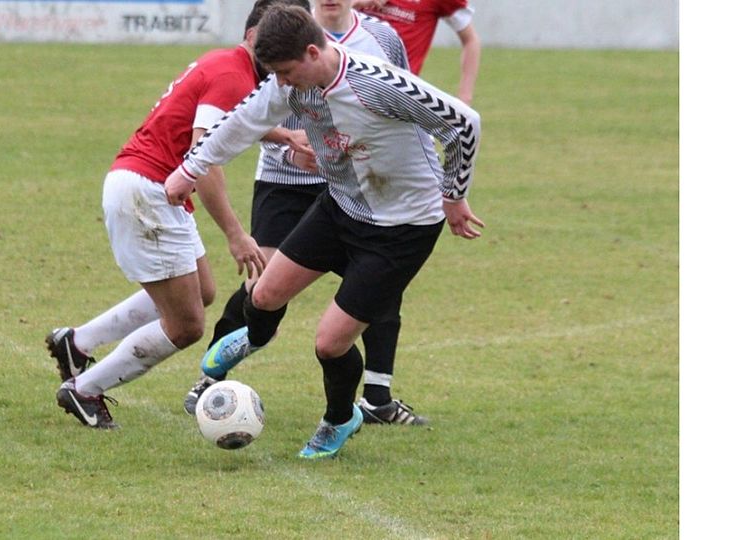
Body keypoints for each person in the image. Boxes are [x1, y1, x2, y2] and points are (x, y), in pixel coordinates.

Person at [165, 4, 484, 458]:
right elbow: (240, 123)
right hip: (340, 206)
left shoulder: (376, 83)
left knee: (330, 343)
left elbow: (463, 124)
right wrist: (189, 169)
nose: (281, 83)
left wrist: (453, 195)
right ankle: (253, 336)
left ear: (314, 52)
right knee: (264, 295)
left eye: (286, 72)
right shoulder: (288, 84)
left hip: (402, 227)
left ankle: (340, 418)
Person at [45, 0, 311, 430]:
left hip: (149, 187)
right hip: (148, 191)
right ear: (252, 35)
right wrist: (235, 233)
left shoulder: (232, 67)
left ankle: (78, 342)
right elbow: (203, 152)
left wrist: (283, 136)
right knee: (186, 325)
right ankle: (85, 389)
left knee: (202, 291)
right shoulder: (233, 74)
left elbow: (232, 123)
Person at [352, 0, 480, 104]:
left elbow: (470, 40)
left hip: (397, 96)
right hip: (347, 88)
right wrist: (354, 3)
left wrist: (464, 99)